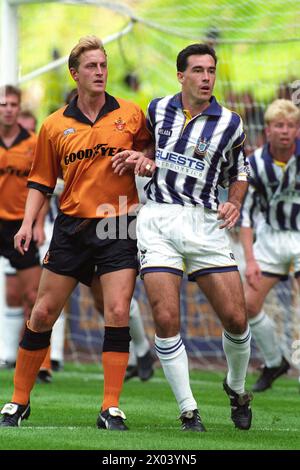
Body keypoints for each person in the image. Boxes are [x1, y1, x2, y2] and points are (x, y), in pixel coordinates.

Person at [0, 36, 151, 430]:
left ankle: (111, 407)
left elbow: (153, 154)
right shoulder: (53, 124)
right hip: (71, 227)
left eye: (103, 65)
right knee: (43, 312)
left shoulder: (132, 115)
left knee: (117, 310)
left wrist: (144, 159)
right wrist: (28, 224)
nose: (100, 72)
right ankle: (18, 401)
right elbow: (41, 181)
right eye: (91, 66)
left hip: (118, 223)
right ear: (75, 73)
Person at [112, 43, 253, 431]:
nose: (206, 77)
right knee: (166, 317)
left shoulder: (231, 123)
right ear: (181, 75)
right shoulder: (157, 109)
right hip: (158, 218)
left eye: (211, 70)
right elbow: (143, 150)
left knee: (237, 319)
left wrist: (235, 202)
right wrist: (141, 160)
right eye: (198, 70)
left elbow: (239, 173)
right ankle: (189, 410)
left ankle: (237, 388)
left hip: (205, 223)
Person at [239, 99, 300, 392]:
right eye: (279, 126)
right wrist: (250, 260)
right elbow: (247, 216)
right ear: (267, 130)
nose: (285, 131)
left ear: (297, 130)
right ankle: (275, 362)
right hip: (270, 237)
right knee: (247, 305)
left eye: (290, 126)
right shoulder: (254, 164)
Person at [0, 86, 50, 376]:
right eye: (3, 104)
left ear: (19, 109)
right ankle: (6, 353)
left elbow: (41, 186)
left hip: (20, 226)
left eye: (12, 104)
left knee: (34, 294)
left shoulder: (32, 143)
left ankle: (42, 363)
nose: (7, 108)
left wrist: (38, 224)